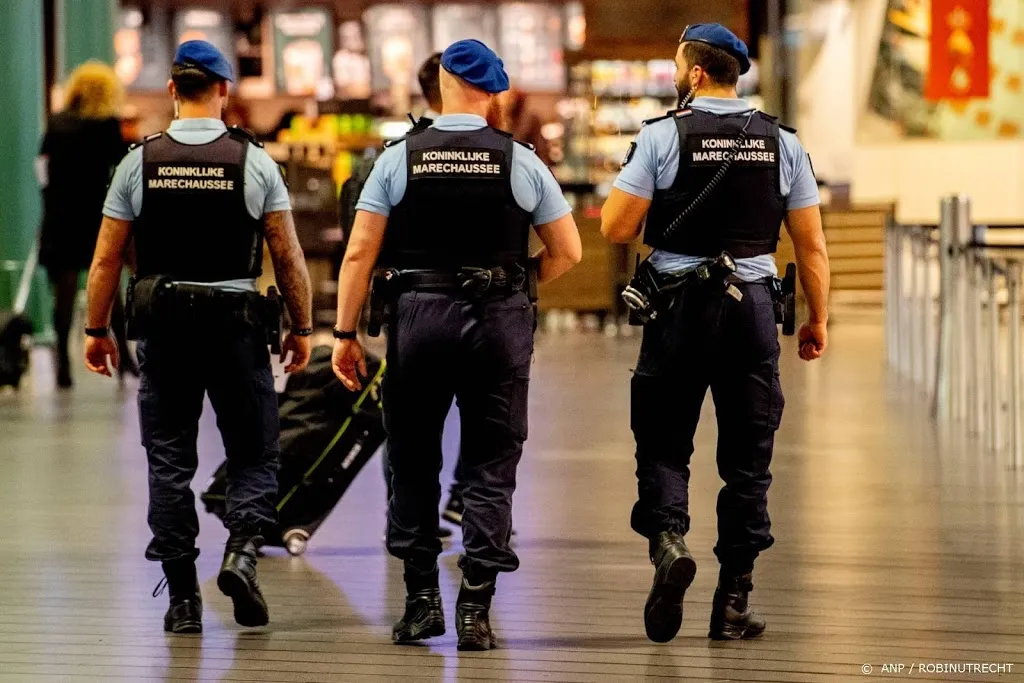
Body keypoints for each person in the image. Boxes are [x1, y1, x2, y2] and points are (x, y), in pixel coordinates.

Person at [332, 39, 581, 650]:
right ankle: (476, 608)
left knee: (413, 459)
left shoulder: (398, 159)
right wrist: (517, 286)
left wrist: (343, 334)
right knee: (491, 463)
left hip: (418, 319)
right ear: (493, 92)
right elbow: (569, 250)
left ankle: (421, 602)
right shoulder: (518, 160)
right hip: (499, 321)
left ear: (440, 82)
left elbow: (360, 251)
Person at [600, 24, 830, 644]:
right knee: (748, 462)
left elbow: (615, 229)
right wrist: (817, 319)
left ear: (696, 73)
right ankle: (732, 602)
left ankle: (670, 544)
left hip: (677, 308)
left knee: (665, 441)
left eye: (678, 65)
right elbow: (810, 245)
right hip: (753, 310)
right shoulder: (783, 142)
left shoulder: (662, 135)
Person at [83, 40, 314, 634]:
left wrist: (95, 329)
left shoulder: (138, 161)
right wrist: (302, 325)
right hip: (236, 328)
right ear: (225, 91)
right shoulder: (253, 161)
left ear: (171, 91)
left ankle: (182, 599)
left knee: (168, 463)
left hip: (163, 327)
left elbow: (106, 260)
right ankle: (240, 553)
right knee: (254, 452)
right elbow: (286, 254)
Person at [37, 61, 134, 388]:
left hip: (61, 217)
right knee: (111, 290)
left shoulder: (56, 123)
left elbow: (43, 170)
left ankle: (63, 364)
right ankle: (124, 361)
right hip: (96, 216)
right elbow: (121, 172)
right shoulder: (107, 126)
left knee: (63, 294)